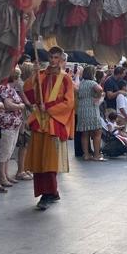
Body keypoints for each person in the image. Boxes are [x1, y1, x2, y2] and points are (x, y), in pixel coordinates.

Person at [23, 46, 75, 211]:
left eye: (56, 58)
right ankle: (50, 193)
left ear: (61, 60)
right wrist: (34, 75)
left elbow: (69, 102)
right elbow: (29, 94)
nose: (53, 60)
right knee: (39, 158)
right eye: (51, 57)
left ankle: (49, 193)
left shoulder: (65, 78)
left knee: (49, 159)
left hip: (53, 122)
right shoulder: (41, 74)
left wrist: (50, 108)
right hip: (39, 121)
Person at [0, 67, 26, 187]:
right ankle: (2, 177)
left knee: (9, 151)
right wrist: (21, 106)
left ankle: (6, 174)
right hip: (6, 125)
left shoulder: (11, 89)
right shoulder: (4, 88)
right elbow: (8, 105)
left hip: (13, 125)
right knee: (4, 151)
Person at [76, 65, 105, 161]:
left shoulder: (82, 83)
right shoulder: (92, 83)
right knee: (97, 132)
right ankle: (96, 155)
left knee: (85, 133)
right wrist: (98, 97)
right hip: (91, 109)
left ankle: (86, 155)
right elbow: (100, 89)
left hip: (82, 109)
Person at [14, 61, 34, 180]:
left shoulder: (22, 83)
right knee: (24, 144)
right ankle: (21, 170)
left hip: (25, 115)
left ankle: (24, 168)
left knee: (26, 144)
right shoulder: (22, 84)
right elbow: (27, 102)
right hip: (24, 115)